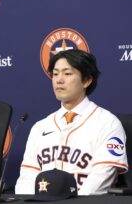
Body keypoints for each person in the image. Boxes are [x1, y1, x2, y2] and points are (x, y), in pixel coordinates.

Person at [15, 49, 128, 195]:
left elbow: (102, 178)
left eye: (67, 73)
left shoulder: (108, 123)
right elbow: (27, 177)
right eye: (55, 74)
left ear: (86, 80)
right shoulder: (40, 126)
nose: (59, 80)